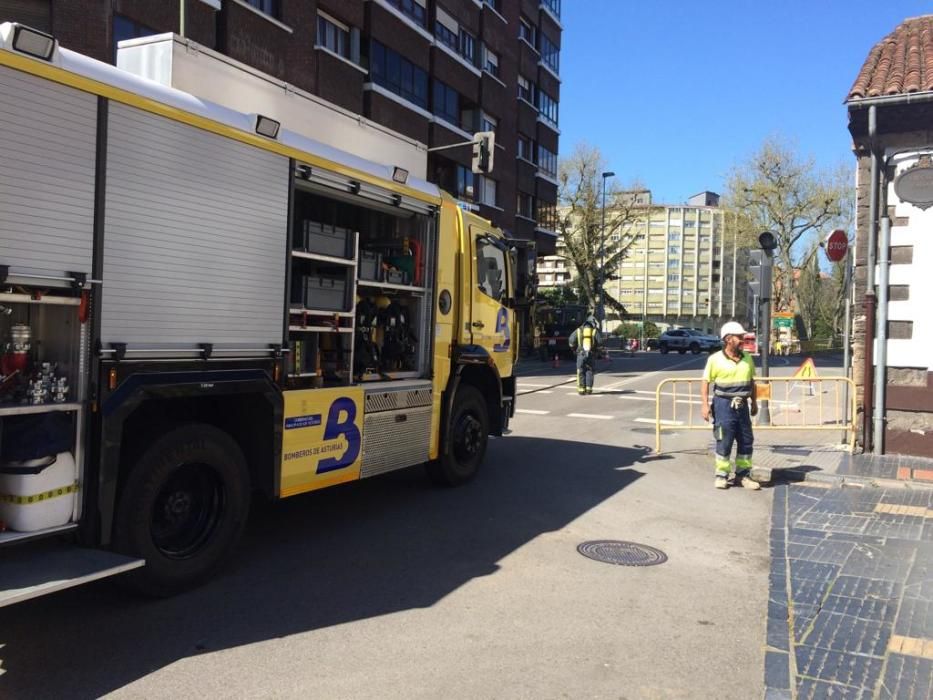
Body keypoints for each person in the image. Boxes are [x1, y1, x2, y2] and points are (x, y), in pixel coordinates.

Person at [700, 321, 761, 491]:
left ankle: (743, 475)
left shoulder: (747, 358)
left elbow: (751, 382)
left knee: (746, 440)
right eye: (739, 337)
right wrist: (704, 405)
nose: (743, 339)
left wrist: (754, 402)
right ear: (728, 339)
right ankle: (721, 475)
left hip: (742, 406)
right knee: (724, 439)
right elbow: (705, 382)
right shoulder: (715, 359)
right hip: (723, 405)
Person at [569, 313, 600, 395]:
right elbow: (600, 342)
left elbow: (571, 341)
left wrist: (574, 348)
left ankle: (581, 390)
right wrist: (595, 349)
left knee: (580, 371)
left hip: (581, 354)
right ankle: (589, 389)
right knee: (589, 371)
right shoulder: (594, 331)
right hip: (591, 354)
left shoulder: (578, 330)